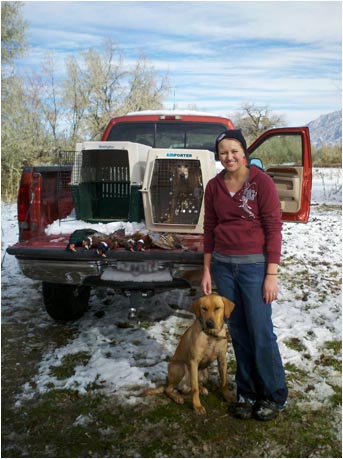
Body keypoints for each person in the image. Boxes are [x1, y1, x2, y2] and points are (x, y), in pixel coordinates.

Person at [201, 129, 288, 421]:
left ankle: (274, 395)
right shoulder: (213, 186)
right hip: (223, 268)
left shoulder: (261, 182)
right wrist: (207, 269)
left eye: (234, 151)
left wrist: (271, 274)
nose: (229, 157)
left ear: (244, 151)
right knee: (237, 330)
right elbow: (209, 228)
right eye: (223, 152)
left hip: (254, 268)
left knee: (260, 331)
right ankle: (247, 392)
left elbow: (274, 229)